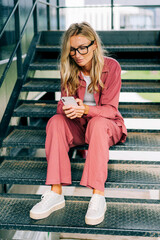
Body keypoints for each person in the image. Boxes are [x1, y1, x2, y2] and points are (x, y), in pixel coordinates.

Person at [30, 22, 127, 225]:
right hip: (80, 126)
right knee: (56, 121)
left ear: (94, 45)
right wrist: (68, 108)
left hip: (106, 126)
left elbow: (110, 110)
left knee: (98, 124)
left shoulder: (112, 67)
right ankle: (55, 193)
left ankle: (98, 196)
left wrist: (86, 109)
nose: (78, 54)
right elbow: (62, 105)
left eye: (82, 47)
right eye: (73, 49)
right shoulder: (69, 68)